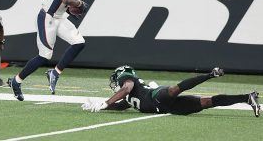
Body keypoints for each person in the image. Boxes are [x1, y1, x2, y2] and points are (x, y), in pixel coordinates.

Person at [8, 0, 99, 101]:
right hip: (48, 18)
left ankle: (55, 73)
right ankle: (16, 81)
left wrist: (66, 9)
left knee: (79, 42)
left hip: (58, 16)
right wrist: (79, 3)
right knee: (44, 56)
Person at [82, 65, 261, 117]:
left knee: (176, 88)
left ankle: (210, 74)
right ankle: (248, 97)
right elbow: (122, 105)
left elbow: (127, 87)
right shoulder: (128, 98)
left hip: (155, 96)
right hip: (169, 108)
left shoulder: (126, 80)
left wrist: (106, 101)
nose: (116, 82)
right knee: (206, 102)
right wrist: (103, 106)